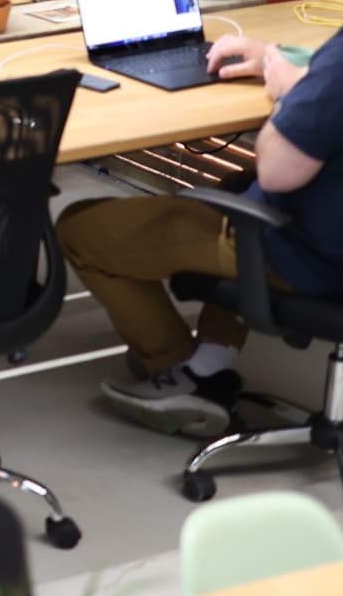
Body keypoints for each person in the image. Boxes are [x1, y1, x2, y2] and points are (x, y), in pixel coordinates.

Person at [59, 32, 343, 437]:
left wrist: (290, 94)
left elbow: (277, 171)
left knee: (80, 229)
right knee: (234, 183)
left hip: (305, 253)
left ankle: (183, 376)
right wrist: (277, 59)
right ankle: (212, 360)